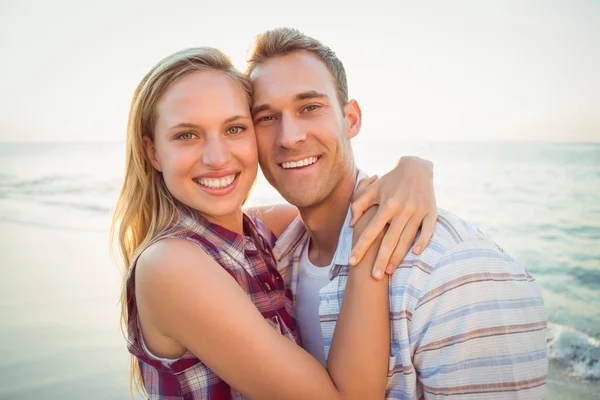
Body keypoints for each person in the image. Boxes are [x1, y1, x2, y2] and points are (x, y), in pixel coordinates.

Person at [111, 47, 438, 399]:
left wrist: (415, 169)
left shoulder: (256, 231)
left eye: (235, 128)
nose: (217, 157)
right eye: (187, 135)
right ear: (153, 152)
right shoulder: (170, 266)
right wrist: (370, 235)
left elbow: (329, 206)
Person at [247, 27, 548, 398]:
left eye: (310, 107)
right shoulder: (274, 257)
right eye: (266, 118)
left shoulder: (452, 269)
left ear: (352, 119)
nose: (289, 136)